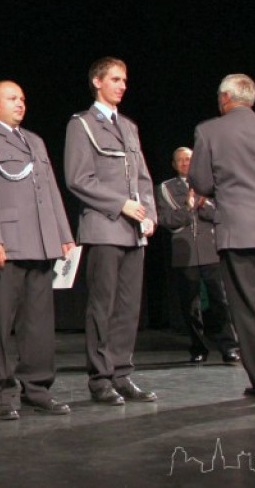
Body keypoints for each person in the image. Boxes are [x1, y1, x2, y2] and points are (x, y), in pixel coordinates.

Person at [0, 81, 75, 420]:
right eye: (12, 99)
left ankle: (37, 389)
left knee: (39, 323)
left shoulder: (35, 141)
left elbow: (51, 191)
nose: (20, 104)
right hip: (5, 244)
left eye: (23, 99)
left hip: (40, 243)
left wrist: (63, 234)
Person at [188, 73, 255, 399]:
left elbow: (201, 182)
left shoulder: (208, 130)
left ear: (225, 99)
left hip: (237, 232)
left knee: (246, 309)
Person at [64, 57, 157, 406]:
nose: (122, 85)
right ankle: (101, 379)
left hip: (134, 231)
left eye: (125, 80)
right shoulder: (82, 124)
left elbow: (143, 176)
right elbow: (78, 178)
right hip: (104, 227)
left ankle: (122, 374)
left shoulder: (129, 126)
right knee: (102, 306)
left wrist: (148, 212)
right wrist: (121, 204)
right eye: (115, 79)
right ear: (97, 82)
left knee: (128, 307)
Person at [155, 147, 240, 364]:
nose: (185, 163)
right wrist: (188, 208)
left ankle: (230, 347)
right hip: (185, 253)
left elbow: (222, 215)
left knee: (221, 300)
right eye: (180, 160)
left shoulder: (211, 184)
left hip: (211, 250)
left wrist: (202, 204)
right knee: (190, 304)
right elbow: (167, 219)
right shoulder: (165, 188)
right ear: (174, 165)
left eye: (189, 159)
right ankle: (198, 347)